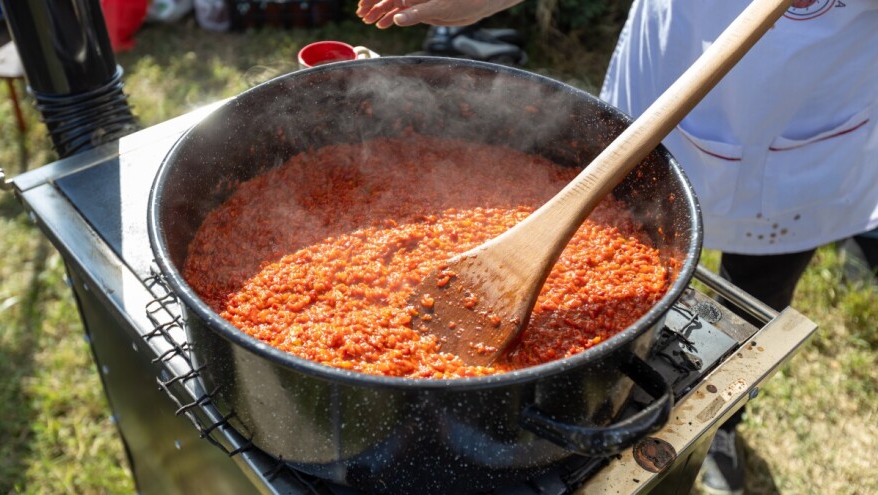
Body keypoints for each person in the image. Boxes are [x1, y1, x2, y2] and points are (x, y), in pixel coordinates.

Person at [355, 0, 878, 493]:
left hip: (816, 96)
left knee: (764, 283)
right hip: (672, 59)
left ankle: (724, 421)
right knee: (631, 206)